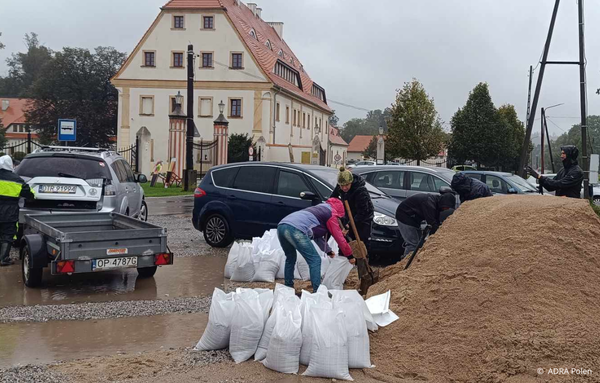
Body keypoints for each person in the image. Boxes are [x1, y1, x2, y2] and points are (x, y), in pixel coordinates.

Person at [277, 198, 354, 292]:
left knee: (290, 258)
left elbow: (316, 236)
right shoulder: (331, 214)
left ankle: (288, 288)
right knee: (315, 260)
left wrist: (328, 251)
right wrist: (349, 255)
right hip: (295, 229)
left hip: (281, 226)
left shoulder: (319, 209)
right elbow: (339, 237)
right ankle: (317, 292)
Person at [395, 193, 457, 259]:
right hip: (404, 216)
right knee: (413, 243)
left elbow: (436, 221)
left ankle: (412, 261)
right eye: (446, 207)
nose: (446, 209)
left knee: (419, 243)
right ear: (443, 203)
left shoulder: (436, 203)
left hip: (413, 219)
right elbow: (432, 223)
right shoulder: (429, 203)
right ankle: (406, 262)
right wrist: (436, 237)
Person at [0, 155, 34, 266]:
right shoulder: (16, 179)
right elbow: (29, 194)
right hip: (9, 212)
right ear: (10, 165)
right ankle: (3, 258)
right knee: (8, 234)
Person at [330, 167, 374, 249]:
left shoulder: (360, 191)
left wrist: (348, 226)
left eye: (346, 185)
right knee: (346, 243)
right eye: (342, 186)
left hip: (363, 221)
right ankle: (348, 259)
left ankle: (362, 260)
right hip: (348, 216)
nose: (344, 188)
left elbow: (363, 212)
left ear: (351, 182)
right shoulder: (340, 187)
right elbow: (333, 198)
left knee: (360, 245)